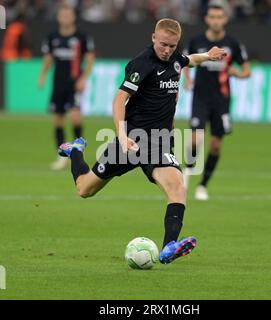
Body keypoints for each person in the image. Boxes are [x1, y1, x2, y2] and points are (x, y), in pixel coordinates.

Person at [58, 18, 226, 264]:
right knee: (85, 189)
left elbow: (189, 60)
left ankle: (169, 246)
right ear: (153, 38)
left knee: (178, 187)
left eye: (172, 45)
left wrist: (208, 56)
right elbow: (118, 100)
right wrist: (123, 135)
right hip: (132, 141)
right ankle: (75, 151)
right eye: (163, 45)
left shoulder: (176, 59)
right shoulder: (141, 64)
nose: (167, 50)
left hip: (158, 143)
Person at [183, 4, 251, 201]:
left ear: (225, 20)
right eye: (212, 17)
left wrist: (236, 73)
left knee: (215, 145)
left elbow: (247, 71)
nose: (215, 20)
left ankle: (203, 185)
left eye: (219, 17)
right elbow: (185, 62)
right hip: (200, 98)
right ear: (206, 19)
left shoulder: (233, 44)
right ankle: (187, 172)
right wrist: (187, 79)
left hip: (221, 100)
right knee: (196, 138)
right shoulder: (196, 41)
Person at [38, 4, 95, 170]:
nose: (65, 18)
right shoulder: (52, 37)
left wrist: (84, 78)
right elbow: (48, 58)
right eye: (62, 15)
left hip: (75, 84)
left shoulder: (82, 37)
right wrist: (42, 75)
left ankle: (78, 151)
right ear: (58, 17)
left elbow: (90, 58)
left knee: (76, 117)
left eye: (68, 15)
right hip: (58, 83)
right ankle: (61, 155)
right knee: (58, 119)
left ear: (73, 17)